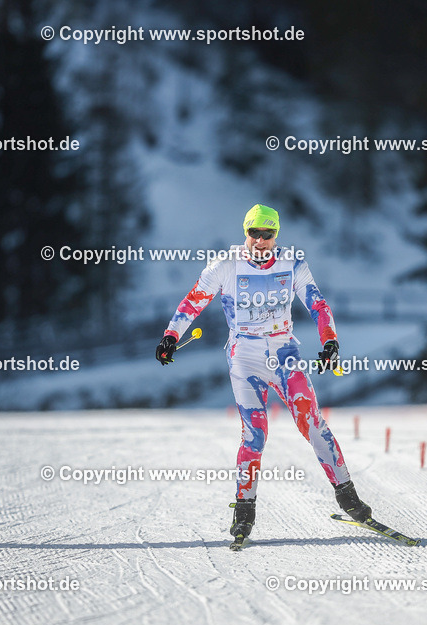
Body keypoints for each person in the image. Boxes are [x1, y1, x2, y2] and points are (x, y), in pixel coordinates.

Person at [156, 204, 372, 546]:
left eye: (267, 234)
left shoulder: (292, 262)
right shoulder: (226, 264)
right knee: (255, 435)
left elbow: (318, 305)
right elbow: (193, 300)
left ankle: (348, 497)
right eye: (253, 233)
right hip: (245, 356)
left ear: (276, 235)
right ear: (245, 233)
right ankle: (244, 513)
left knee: (313, 423)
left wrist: (330, 341)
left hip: (285, 352)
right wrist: (171, 335)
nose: (259, 241)